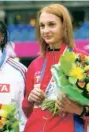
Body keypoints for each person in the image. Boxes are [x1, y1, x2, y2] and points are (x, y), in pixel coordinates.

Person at [22, 4, 89, 132]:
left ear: (64, 26)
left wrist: (78, 110)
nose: (45, 30)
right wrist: (29, 99)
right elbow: (27, 111)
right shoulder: (34, 64)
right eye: (42, 26)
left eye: (51, 24)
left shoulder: (81, 60)